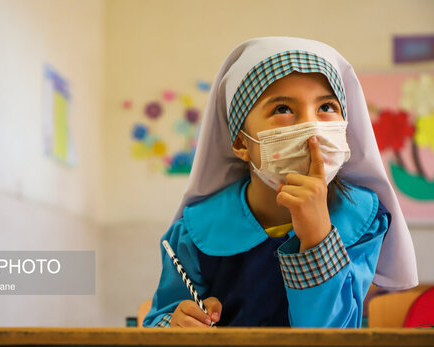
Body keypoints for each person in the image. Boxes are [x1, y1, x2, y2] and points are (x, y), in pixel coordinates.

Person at [142, 37, 418, 328]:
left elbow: (336, 334)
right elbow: (159, 321)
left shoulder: (360, 217)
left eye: (326, 106)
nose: (311, 128)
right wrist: (177, 324)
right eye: (283, 109)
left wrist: (317, 238)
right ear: (240, 142)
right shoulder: (195, 231)